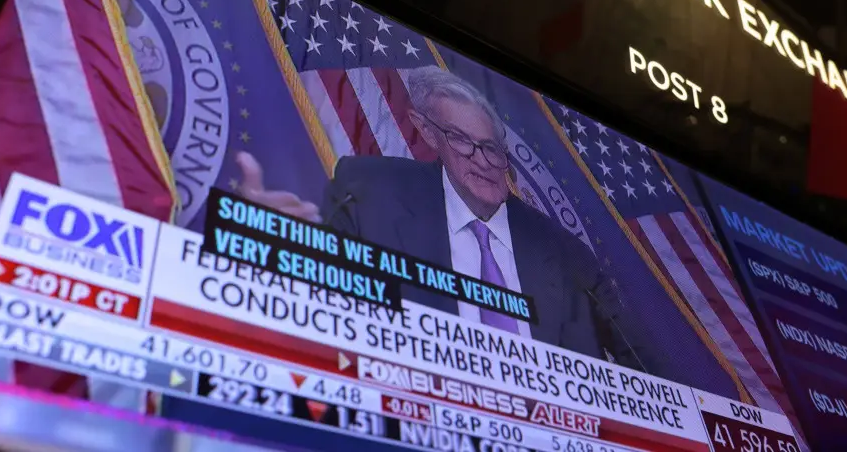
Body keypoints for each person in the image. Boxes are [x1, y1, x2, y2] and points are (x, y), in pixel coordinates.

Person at [237, 67, 656, 371]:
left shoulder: (561, 251)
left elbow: (645, 361)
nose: (485, 162)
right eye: (462, 140)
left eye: (492, 147)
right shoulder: (370, 191)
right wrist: (269, 243)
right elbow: (317, 291)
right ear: (428, 132)